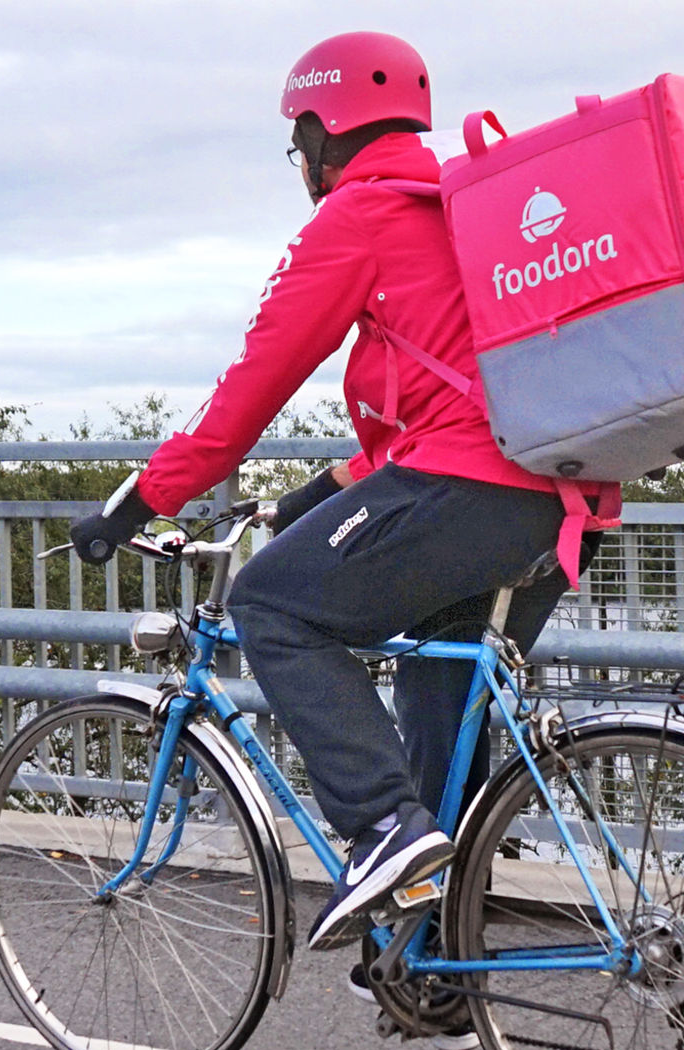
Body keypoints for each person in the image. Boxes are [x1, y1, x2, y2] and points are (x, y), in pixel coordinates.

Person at [70, 31, 615, 959]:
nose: (302, 163)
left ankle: (380, 833)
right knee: (439, 715)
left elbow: (244, 398)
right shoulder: (455, 207)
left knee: (272, 604)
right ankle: (436, 961)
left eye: (300, 142)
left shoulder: (358, 218)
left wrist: (136, 502)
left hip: (468, 492)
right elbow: (444, 404)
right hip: (562, 498)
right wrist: (304, 500)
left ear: (328, 129)